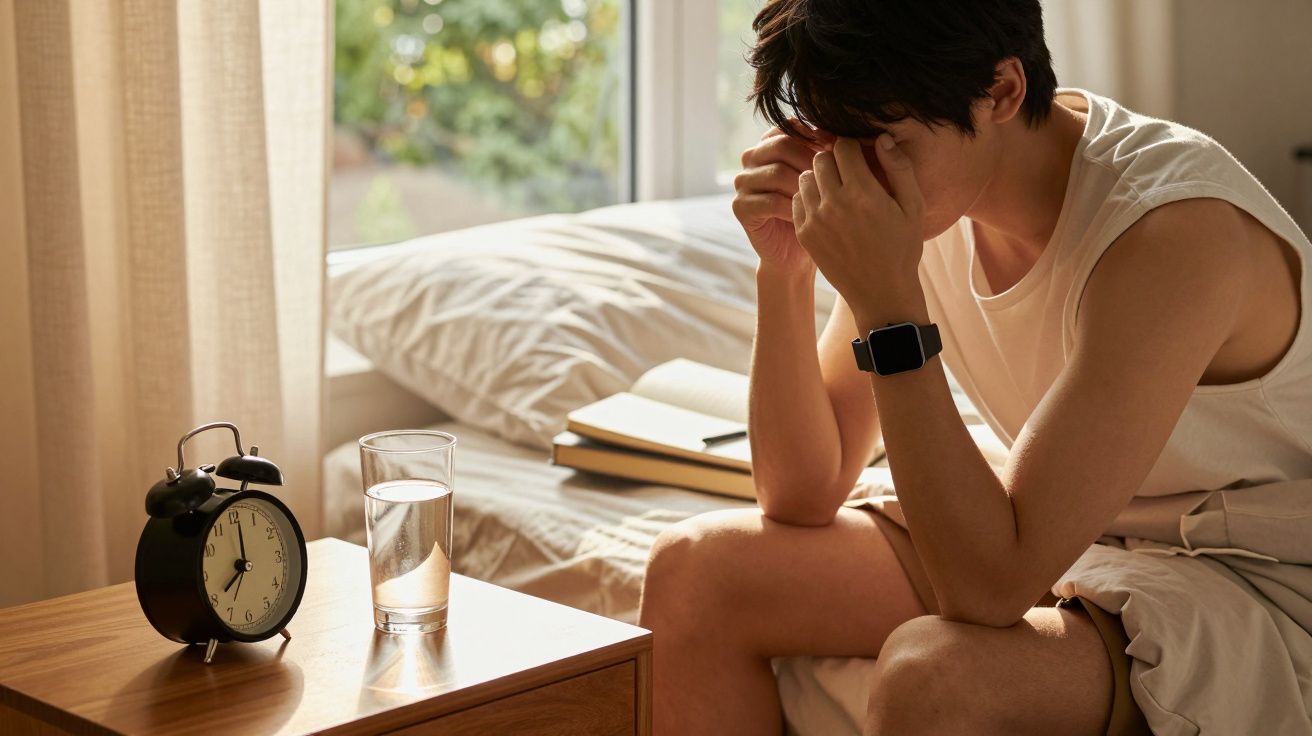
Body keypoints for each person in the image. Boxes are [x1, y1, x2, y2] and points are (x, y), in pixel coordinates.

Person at [637, 0, 1312, 734]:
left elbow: (987, 591)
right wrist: (785, 269)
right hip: (1081, 536)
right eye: (832, 139)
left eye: (881, 138)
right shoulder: (926, 199)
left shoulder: (1173, 232)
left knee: (934, 676)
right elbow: (801, 491)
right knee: (694, 574)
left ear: (1002, 92)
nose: (846, 177)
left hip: (1253, 577)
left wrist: (891, 306)